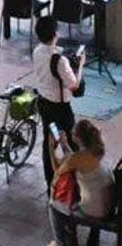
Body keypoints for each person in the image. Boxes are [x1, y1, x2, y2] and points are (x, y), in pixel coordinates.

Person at [46, 120, 114, 246]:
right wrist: (64, 144)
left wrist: (51, 148)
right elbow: (73, 160)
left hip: (94, 209)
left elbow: (57, 171)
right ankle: (72, 239)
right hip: (109, 204)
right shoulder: (98, 150)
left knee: (54, 205)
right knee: (74, 195)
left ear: (76, 137)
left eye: (72, 132)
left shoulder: (76, 158)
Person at [34, 15, 84, 189]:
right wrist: (81, 65)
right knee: (72, 141)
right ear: (55, 33)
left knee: (51, 141)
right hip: (61, 111)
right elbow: (74, 86)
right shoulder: (60, 61)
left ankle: (51, 183)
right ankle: (76, 183)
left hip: (45, 106)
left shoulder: (37, 51)